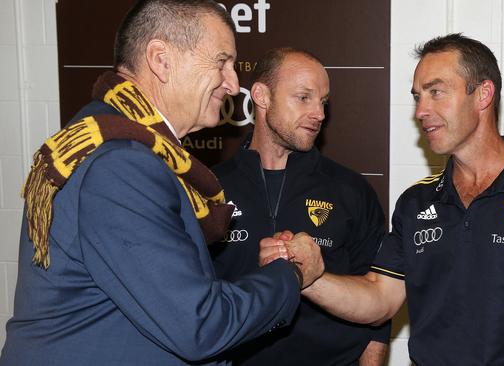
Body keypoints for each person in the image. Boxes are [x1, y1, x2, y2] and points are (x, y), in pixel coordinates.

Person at [263, 33, 504, 365]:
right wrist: (312, 276)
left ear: (483, 94)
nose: (421, 111)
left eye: (436, 92)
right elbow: (378, 299)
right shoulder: (416, 202)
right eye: (418, 97)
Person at [0, 1, 323, 365]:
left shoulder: (133, 147)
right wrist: (291, 274)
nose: (234, 85)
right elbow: (199, 325)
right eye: (222, 62)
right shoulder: (121, 164)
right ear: (161, 59)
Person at [211, 47, 389, 366]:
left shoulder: (352, 190)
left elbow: (379, 310)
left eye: (322, 102)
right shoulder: (210, 188)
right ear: (262, 96)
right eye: (304, 98)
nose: (319, 114)